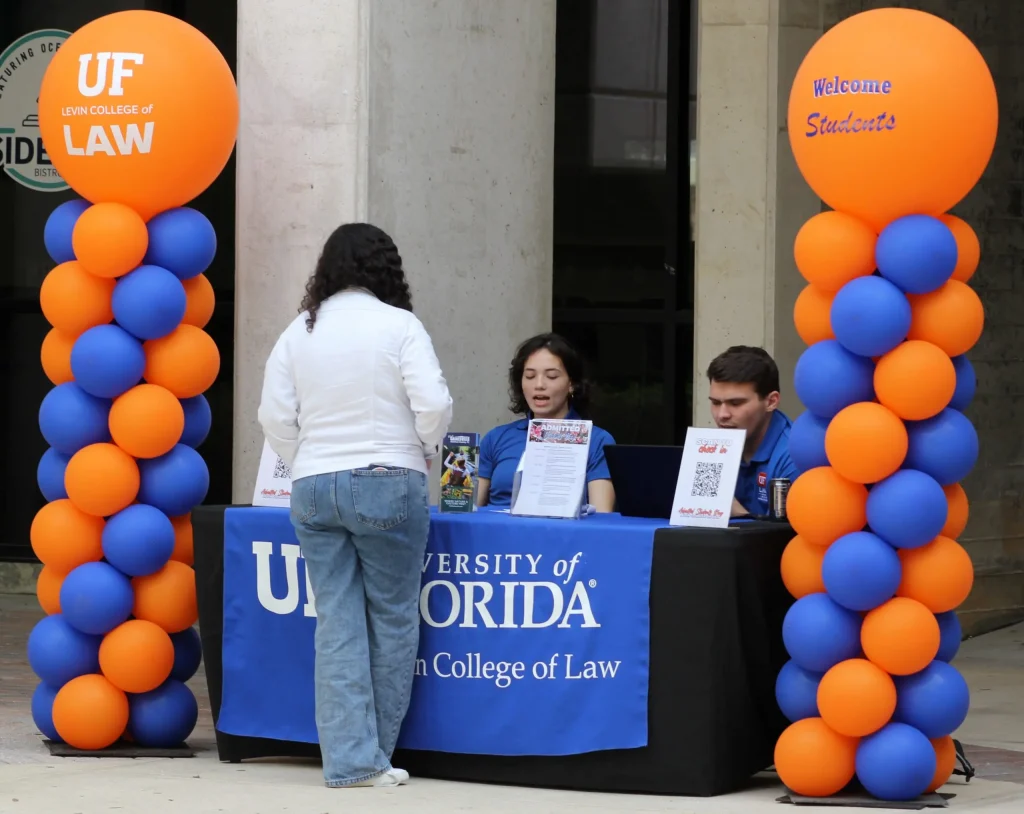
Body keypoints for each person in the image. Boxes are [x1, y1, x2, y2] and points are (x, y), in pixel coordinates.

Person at [257, 223, 452, 789]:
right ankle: (374, 758)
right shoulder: (400, 325)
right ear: (386, 269)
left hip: (314, 484)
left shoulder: (300, 330)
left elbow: (273, 417)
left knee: (335, 621)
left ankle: (347, 762)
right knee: (391, 618)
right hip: (388, 476)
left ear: (328, 268)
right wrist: (421, 449)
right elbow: (434, 402)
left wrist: (306, 458)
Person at [476, 333, 616, 512]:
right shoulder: (496, 438)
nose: (539, 385)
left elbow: (601, 517)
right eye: (530, 376)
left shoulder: (597, 441)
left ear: (571, 384)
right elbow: (468, 509)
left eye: (551, 376)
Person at [706, 345, 798, 517]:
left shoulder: (794, 457)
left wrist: (737, 514)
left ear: (771, 401)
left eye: (736, 403)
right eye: (716, 403)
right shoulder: (711, 450)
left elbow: (787, 538)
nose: (722, 415)